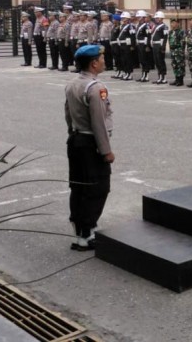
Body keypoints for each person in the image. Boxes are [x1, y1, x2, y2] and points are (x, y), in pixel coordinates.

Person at [64, 44, 115, 250]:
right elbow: (99, 123)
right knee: (97, 188)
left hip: (76, 141)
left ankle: (79, 232)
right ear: (94, 63)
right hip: (90, 144)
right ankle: (87, 233)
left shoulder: (72, 84)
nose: (104, 61)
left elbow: (67, 113)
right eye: (102, 58)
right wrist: (106, 151)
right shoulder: (95, 88)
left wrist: (72, 134)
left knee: (78, 187)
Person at [151, 11, 169, 84]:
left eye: (157, 18)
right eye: (156, 18)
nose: (156, 19)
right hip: (155, 45)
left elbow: (165, 37)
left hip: (160, 46)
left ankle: (164, 77)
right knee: (157, 62)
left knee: (161, 61)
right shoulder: (155, 26)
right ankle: (160, 77)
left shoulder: (164, 27)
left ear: (161, 18)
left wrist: (163, 47)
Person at [168, 18, 187, 86]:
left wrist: (181, 51)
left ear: (178, 23)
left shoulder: (181, 32)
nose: (173, 24)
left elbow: (183, 42)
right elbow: (169, 42)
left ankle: (180, 80)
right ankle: (176, 79)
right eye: (172, 22)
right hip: (173, 51)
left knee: (180, 66)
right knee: (174, 65)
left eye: (175, 22)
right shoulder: (170, 32)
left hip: (178, 51)